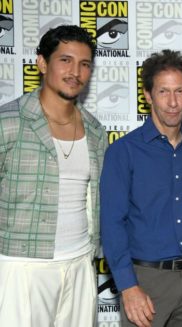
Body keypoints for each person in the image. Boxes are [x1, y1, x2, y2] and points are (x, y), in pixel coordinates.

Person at [100, 50, 182, 327]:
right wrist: (128, 286)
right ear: (148, 95)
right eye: (163, 91)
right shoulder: (124, 151)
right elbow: (112, 223)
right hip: (145, 280)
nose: (173, 102)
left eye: (179, 91)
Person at [0, 25, 107, 326]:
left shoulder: (96, 131)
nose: (76, 71)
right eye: (65, 60)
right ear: (42, 63)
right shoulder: (9, 122)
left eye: (84, 64)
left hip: (81, 264)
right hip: (21, 266)